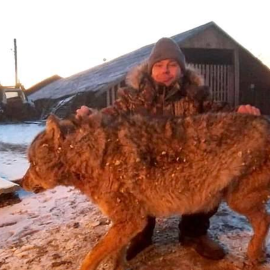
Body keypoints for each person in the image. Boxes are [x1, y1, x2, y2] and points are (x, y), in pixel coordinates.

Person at [76, 37, 260, 261]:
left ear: (181, 70)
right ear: (151, 69)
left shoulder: (196, 96)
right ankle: (141, 234)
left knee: (210, 180)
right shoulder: (133, 98)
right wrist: (89, 115)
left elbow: (220, 114)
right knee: (131, 187)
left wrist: (239, 112)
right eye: (160, 65)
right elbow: (108, 116)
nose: (166, 70)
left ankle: (194, 234)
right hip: (146, 165)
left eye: (172, 65)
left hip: (188, 162)